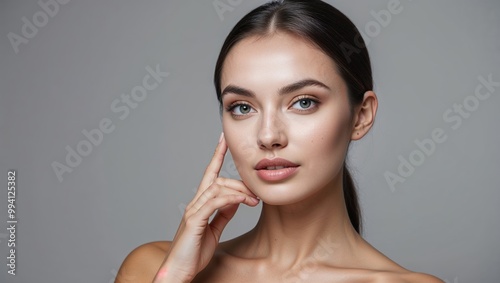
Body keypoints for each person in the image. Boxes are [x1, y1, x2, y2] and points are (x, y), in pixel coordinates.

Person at [116, 1, 444, 282]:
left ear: (361, 116)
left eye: (303, 102)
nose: (269, 135)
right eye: (242, 107)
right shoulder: (151, 268)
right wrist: (173, 277)